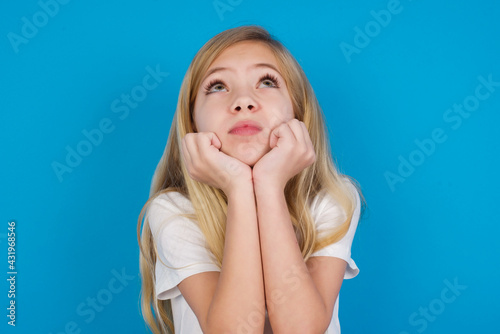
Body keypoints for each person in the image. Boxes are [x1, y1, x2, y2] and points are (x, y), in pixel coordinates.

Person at [137, 25, 365, 334]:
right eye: (217, 86)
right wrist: (239, 187)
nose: (243, 101)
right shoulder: (174, 211)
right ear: (192, 121)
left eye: (267, 81)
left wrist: (268, 186)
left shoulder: (332, 199)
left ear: (297, 111)